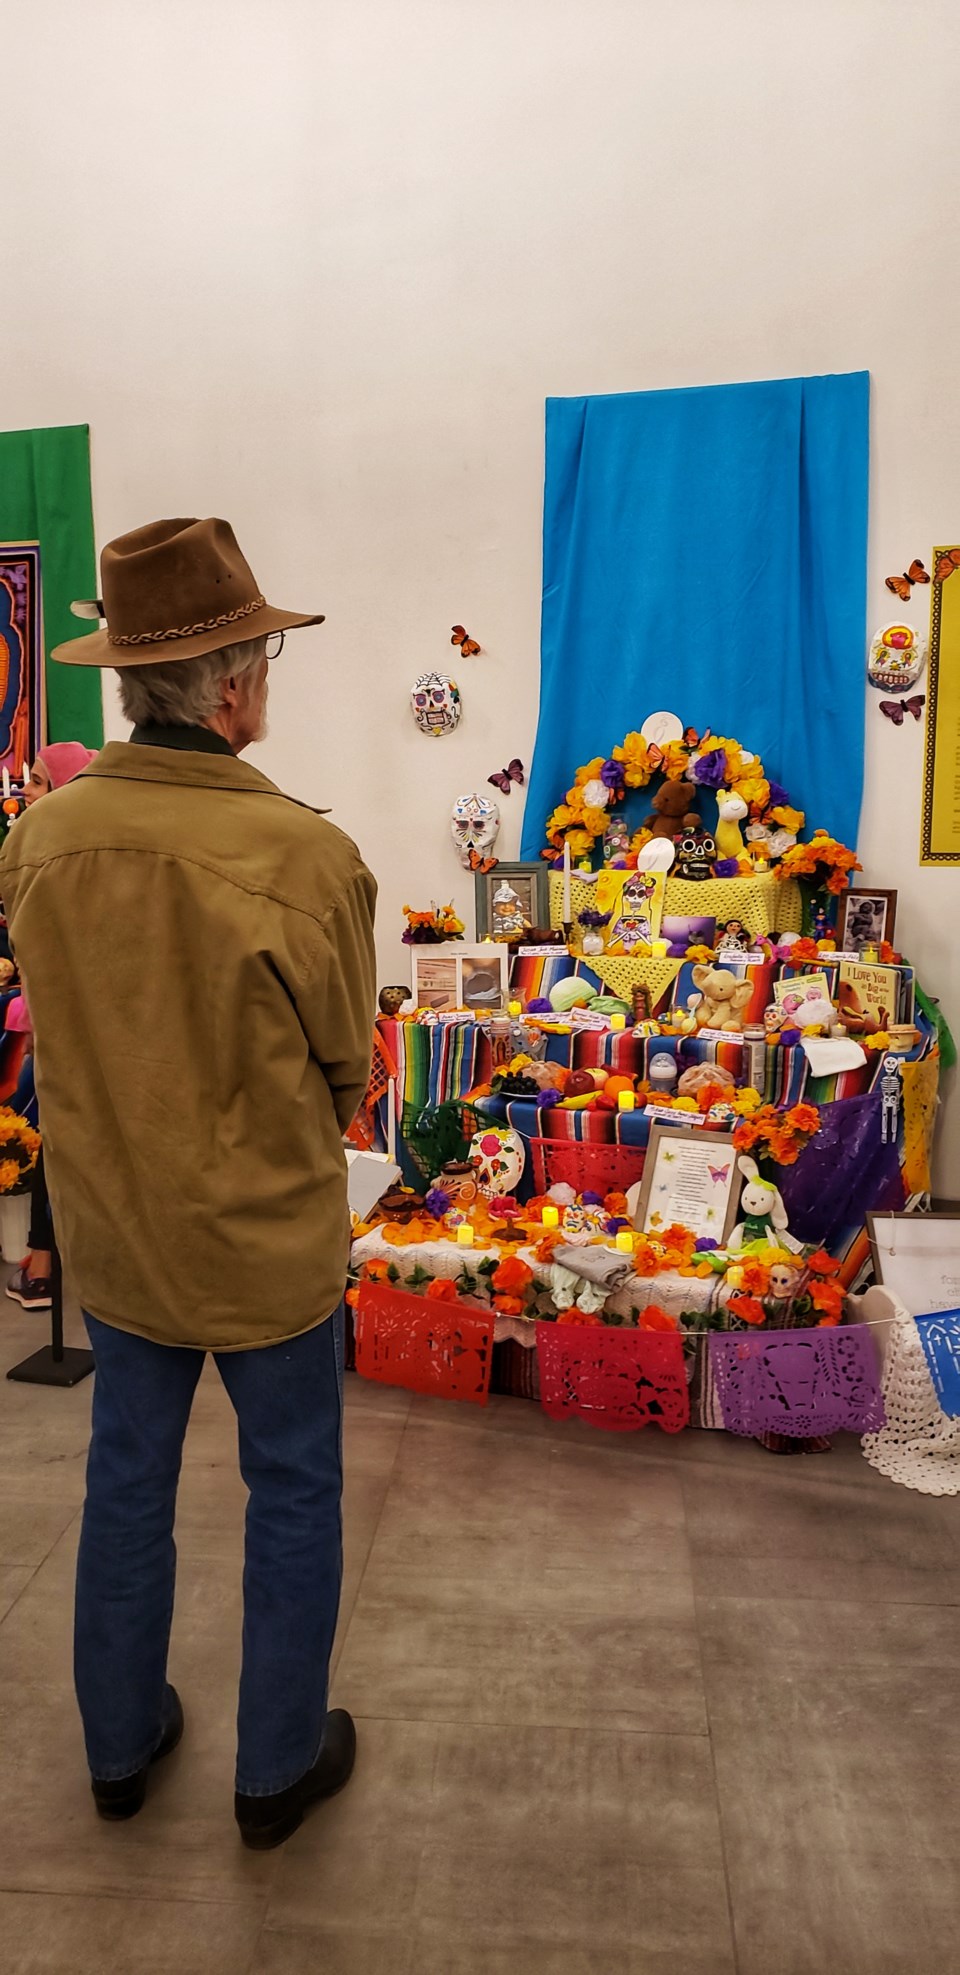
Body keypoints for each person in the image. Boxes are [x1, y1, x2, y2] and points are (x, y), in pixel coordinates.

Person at [0, 516, 377, 1850]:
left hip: (119, 1232)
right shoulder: (305, 856)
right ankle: (274, 1766)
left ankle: (118, 1745)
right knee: (293, 1489)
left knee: (125, 1484)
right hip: (264, 1239)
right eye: (264, 653)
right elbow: (349, 1069)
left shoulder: (40, 838)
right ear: (233, 684)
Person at [4, 743, 96, 1311]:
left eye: (38, 782)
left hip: (74, 1023)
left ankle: (42, 1266)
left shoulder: (52, 854)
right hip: (76, 1018)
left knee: (60, 1141)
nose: (27, 792)